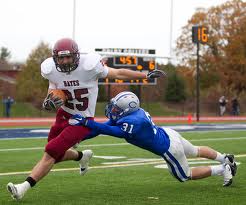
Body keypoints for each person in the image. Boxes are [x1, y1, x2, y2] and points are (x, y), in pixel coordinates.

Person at [7, 38, 165, 200]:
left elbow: (118, 73)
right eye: (61, 58)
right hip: (63, 115)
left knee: (51, 153)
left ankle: (22, 188)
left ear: (76, 55)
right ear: (55, 58)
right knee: (58, 155)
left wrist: (144, 75)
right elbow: (52, 91)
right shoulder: (51, 69)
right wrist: (49, 101)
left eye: (68, 57)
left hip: (81, 120)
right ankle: (82, 156)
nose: (65, 61)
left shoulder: (89, 66)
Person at [69, 91, 237, 187]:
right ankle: (224, 157)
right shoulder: (131, 113)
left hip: (168, 147)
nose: (113, 110)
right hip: (169, 134)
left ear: (127, 109)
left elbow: (109, 130)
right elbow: (103, 127)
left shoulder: (134, 121)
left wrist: (85, 122)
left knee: (184, 175)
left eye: (116, 107)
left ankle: (223, 169)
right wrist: (80, 138)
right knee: (196, 150)